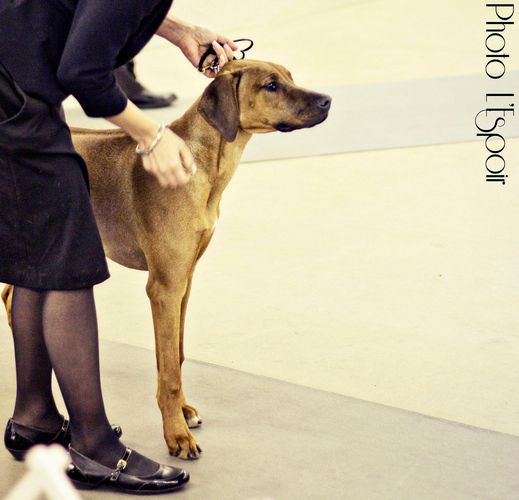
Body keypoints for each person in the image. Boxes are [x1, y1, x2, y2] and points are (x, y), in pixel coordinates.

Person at [0, 1, 237, 494]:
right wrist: (151, 135)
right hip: (14, 95)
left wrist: (176, 29)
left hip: (17, 81)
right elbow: (83, 73)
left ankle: (34, 417)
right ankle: (95, 446)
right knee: (67, 263)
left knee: (41, 254)